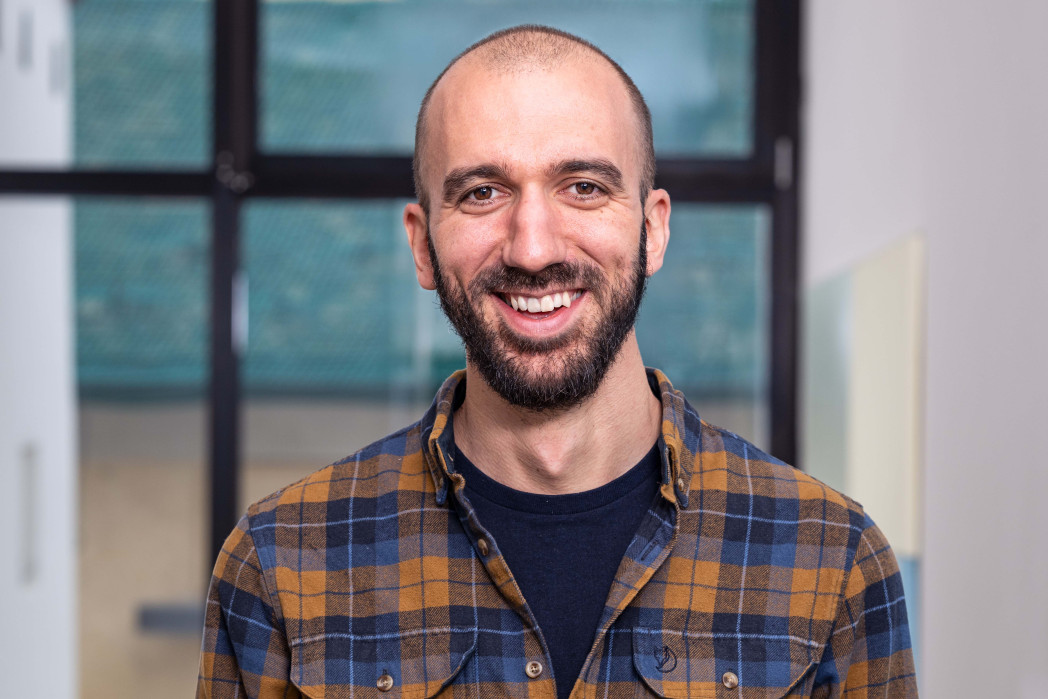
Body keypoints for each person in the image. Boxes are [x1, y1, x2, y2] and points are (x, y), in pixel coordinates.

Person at [198, 25, 917, 698]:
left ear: (653, 227)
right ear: (421, 243)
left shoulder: (832, 561)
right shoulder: (282, 566)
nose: (533, 247)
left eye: (584, 187)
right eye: (483, 192)